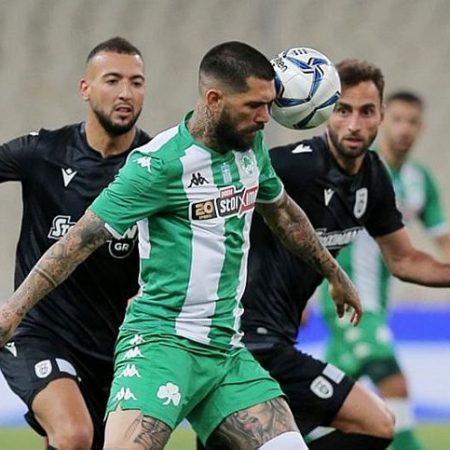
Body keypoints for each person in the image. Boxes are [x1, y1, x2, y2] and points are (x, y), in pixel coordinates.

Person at [0, 41, 362, 450]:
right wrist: (13, 311)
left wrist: (335, 274)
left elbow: (283, 213)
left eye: (268, 104)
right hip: (161, 346)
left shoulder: (250, 149)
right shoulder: (157, 164)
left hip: (225, 353)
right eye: (254, 106)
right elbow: (78, 241)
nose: (266, 117)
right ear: (214, 100)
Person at [231, 58, 450, 450]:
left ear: (380, 115)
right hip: (244, 341)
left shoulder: (374, 176)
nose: (354, 124)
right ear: (323, 113)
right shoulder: (293, 167)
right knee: (377, 423)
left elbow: (405, 260)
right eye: (343, 110)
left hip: (280, 339)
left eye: (366, 112)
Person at [0, 37, 150, 450]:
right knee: (74, 434)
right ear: (85, 88)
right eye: (113, 80)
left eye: (136, 82)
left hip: (116, 347)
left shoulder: (155, 167)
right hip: (39, 331)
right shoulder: (44, 152)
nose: (125, 93)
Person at [319, 90, 450, 450]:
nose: (404, 129)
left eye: (412, 122)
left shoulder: (420, 180)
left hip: (378, 306)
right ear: (382, 121)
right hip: (347, 303)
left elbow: (444, 241)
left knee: (321, 401)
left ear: (421, 128)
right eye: (398, 119)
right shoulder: (358, 168)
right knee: (395, 384)